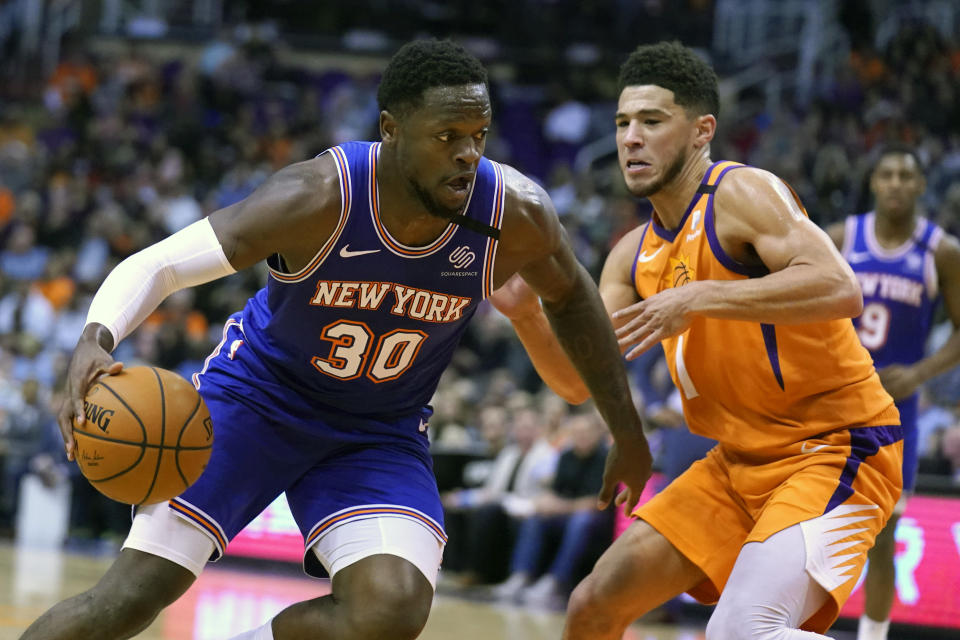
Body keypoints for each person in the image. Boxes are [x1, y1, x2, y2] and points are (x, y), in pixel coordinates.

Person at [20, 40, 651, 640]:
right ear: (391, 130)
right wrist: (95, 337)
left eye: (478, 137)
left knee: (392, 607)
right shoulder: (320, 196)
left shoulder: (512, 212)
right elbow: (161, 264)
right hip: (257, 403)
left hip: (379, 431)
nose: (468, 154)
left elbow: (572, 297)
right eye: (447, 137)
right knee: (128, 599)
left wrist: (626, 431)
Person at [491, 41, 902, 640]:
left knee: (740, 631)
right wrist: (526, 316)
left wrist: (699, 296)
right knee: (592, 606)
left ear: (702, 130)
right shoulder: (630, 254)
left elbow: (840, 288)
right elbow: (580, 380)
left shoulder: (741, 193)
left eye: (652, 122)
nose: (631, 137)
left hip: (834, 447)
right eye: (623, 123)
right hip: (735, 463)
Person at [825, 146, 960, 640]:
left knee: (882, 539)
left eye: (907, 175)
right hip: (835, 404)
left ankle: (873, 637)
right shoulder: (842, 238)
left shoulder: (941, 250)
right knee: (806, 523)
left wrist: (921, 373)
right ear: (875, 182)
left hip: (895, 413)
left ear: (922, 185)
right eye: (888, 173)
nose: (898, 183)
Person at [492, 409, 612, 608]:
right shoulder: (566, 455)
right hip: (567, 512)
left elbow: (597, 502)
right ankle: (521, 575)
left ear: (597, 433)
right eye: (576, 432)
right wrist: (545, 501)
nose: (580, 437)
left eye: (586, 432)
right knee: (536, 517)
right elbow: (555, 490)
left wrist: (561, 506)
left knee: (581, 520)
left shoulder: (605, 458)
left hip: (597, 516)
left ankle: (556, 581)